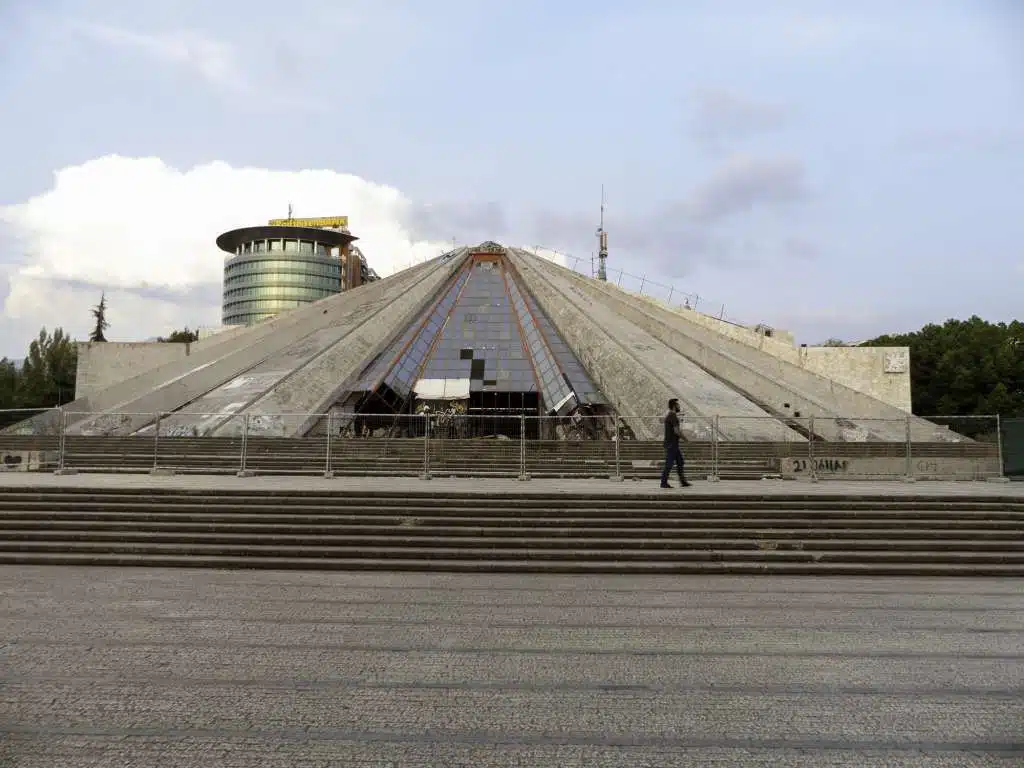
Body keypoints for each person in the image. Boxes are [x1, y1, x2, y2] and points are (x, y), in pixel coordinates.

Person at [661, 398, 691, 488]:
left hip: (673, 444)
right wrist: (685, 439)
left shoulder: (670, 415)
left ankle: (683, 482)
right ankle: (663, 482)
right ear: (674, 406)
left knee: (680, 462)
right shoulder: (673, 416)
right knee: (669, 464)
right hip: (672, 444)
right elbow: (676, 431)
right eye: (678, 405)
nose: (679, 406)